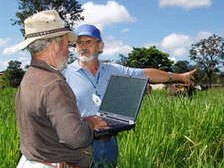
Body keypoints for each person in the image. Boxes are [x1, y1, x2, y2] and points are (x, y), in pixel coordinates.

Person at [63, 24, 196, 168]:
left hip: (109, 142)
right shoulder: (64, 74)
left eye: (88, 42)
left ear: (100, 46)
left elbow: (147, 74)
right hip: (79, 146)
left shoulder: (114, 70)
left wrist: (180, 76)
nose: (83, 47)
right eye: (79, 43)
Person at [15, 11, 108, 168]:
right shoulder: (54, 84)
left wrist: (80, 122)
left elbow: (48, 124)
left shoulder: (30, 76)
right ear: (54, 46)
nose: (68, 51)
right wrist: (90, 124)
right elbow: (74, 138)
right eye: (66, 44)